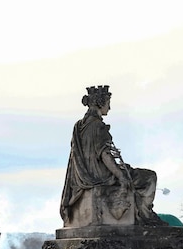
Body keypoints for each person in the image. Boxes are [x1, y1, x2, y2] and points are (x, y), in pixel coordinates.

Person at [59, 84, 161, 227]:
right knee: (149, 177)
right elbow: (105, 155)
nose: (109, 108)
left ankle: (140, 214)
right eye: (108, 103)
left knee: (131, 171)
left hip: (82, 177)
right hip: (101, 175)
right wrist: (121, 176)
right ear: (101, 103)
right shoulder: (98, 127)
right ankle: (145, 216)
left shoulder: (78, 126)